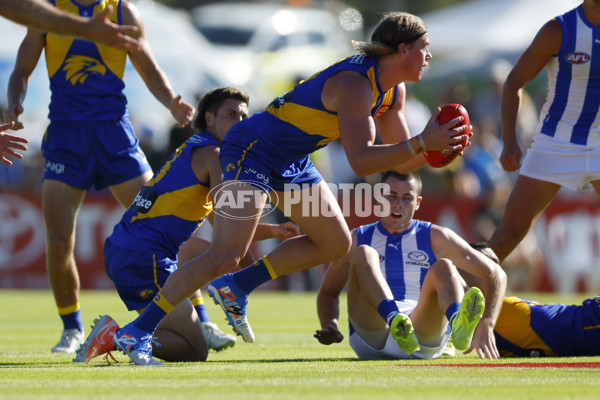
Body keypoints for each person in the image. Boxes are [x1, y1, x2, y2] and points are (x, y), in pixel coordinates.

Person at [107, 11, 471, 365]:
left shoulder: (394, 93)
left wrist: (439, 150)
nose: (430, 56)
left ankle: (238, 286)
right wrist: (425, 141)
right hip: (252, 149)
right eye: (425, 47)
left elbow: (401, 161)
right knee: (224, 255)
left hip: (291, 160)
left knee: (336, 243)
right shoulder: (356, 84)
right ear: (403, 49)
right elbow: (362, 161)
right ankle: (137, 331)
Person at [6, 0, 196, 354]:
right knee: (59, 240)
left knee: (163, 224)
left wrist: (171, 102)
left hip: (115, 137)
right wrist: (14, 102)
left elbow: (148, 67)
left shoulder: (124, 12)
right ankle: (72, 328)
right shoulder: (48, 12)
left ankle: (200, 315)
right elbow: (21, 70)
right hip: (66, 138)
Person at [73, 87, 300, 364]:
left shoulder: (198, 147)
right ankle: (114, 335)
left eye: (244, 116)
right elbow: (230, 223)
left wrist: (271, 232)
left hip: (130, 249)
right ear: (209, 118)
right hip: (145, 257)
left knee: (196, 254)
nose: (240, 123)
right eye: (231, 114)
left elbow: (222, 225)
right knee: (194, 350)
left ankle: (202, 324)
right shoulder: (216, 155)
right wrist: (247, 276)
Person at [314, 171, 506, 360]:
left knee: (445, 267)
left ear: (418, 203)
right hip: (373, 336)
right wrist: (330, 324)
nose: (398, 203)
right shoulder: (356, 238)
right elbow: (328, 293)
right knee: (364, 252)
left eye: (407, 198)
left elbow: (497, 274)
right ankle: (394, 319)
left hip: (421, 332)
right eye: (391, 196)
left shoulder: (437, 237)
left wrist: (487, 323)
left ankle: (458, 323)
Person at [487, 0, 600, 264]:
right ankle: (455, 300)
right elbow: (514, 81)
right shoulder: (558, 30)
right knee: (507, 236)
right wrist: (509, 141)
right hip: (555, 143)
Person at [469, 243, 600, 357]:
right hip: (588, 323)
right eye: (487, 264)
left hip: (589, 320)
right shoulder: (496, 315)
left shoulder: (501, 311)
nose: (495, 268)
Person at [0, 0, 140, 50]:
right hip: (61, 116)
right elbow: (8, 4)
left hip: (116, 116)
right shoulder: (51, 4)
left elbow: (150, 72)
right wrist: (85, 28)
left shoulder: (123, 10)